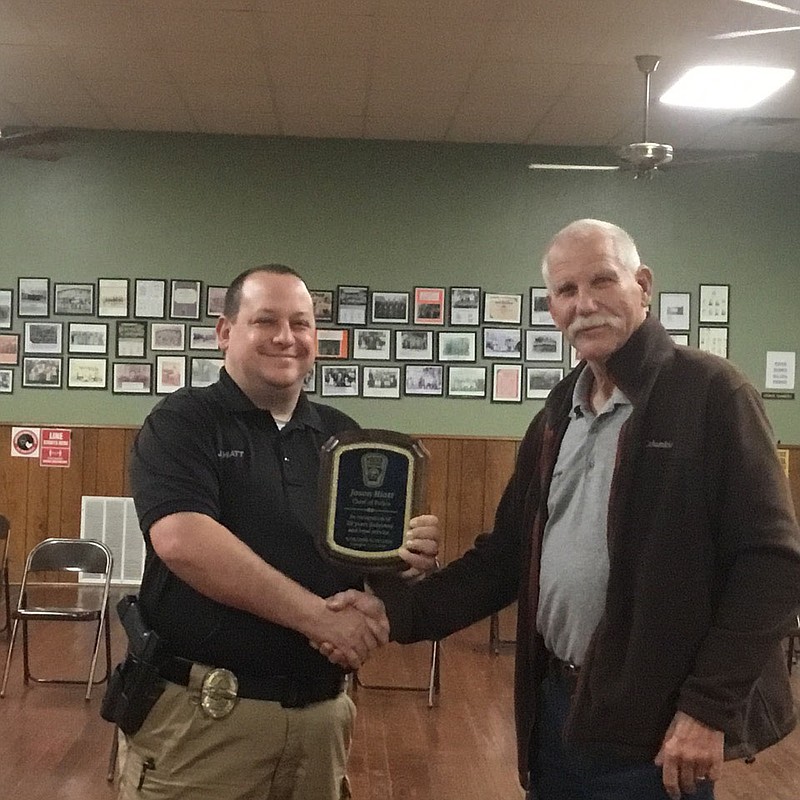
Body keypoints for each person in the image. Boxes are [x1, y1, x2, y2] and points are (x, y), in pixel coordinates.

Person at [325, 219, 800, 800]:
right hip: (554, 709)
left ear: (643, 284)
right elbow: (504, 558)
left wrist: (707, 710)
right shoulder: (558, 409)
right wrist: (390, 611)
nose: (585, 304)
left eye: (603, 281)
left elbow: (771, 564)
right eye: (566, 290)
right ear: (551, 305)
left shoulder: (710, 393)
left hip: (660, 728)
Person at [111, 264, 440, 800]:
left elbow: (363, 565)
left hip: (321, 723)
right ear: (225, 332)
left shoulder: (343, 437)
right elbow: (183, 541)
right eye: (266, 320)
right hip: (204, 725)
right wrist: (319, 620)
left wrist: (403, 560)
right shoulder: (183, 422)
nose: (286, 337)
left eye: (301, 323)